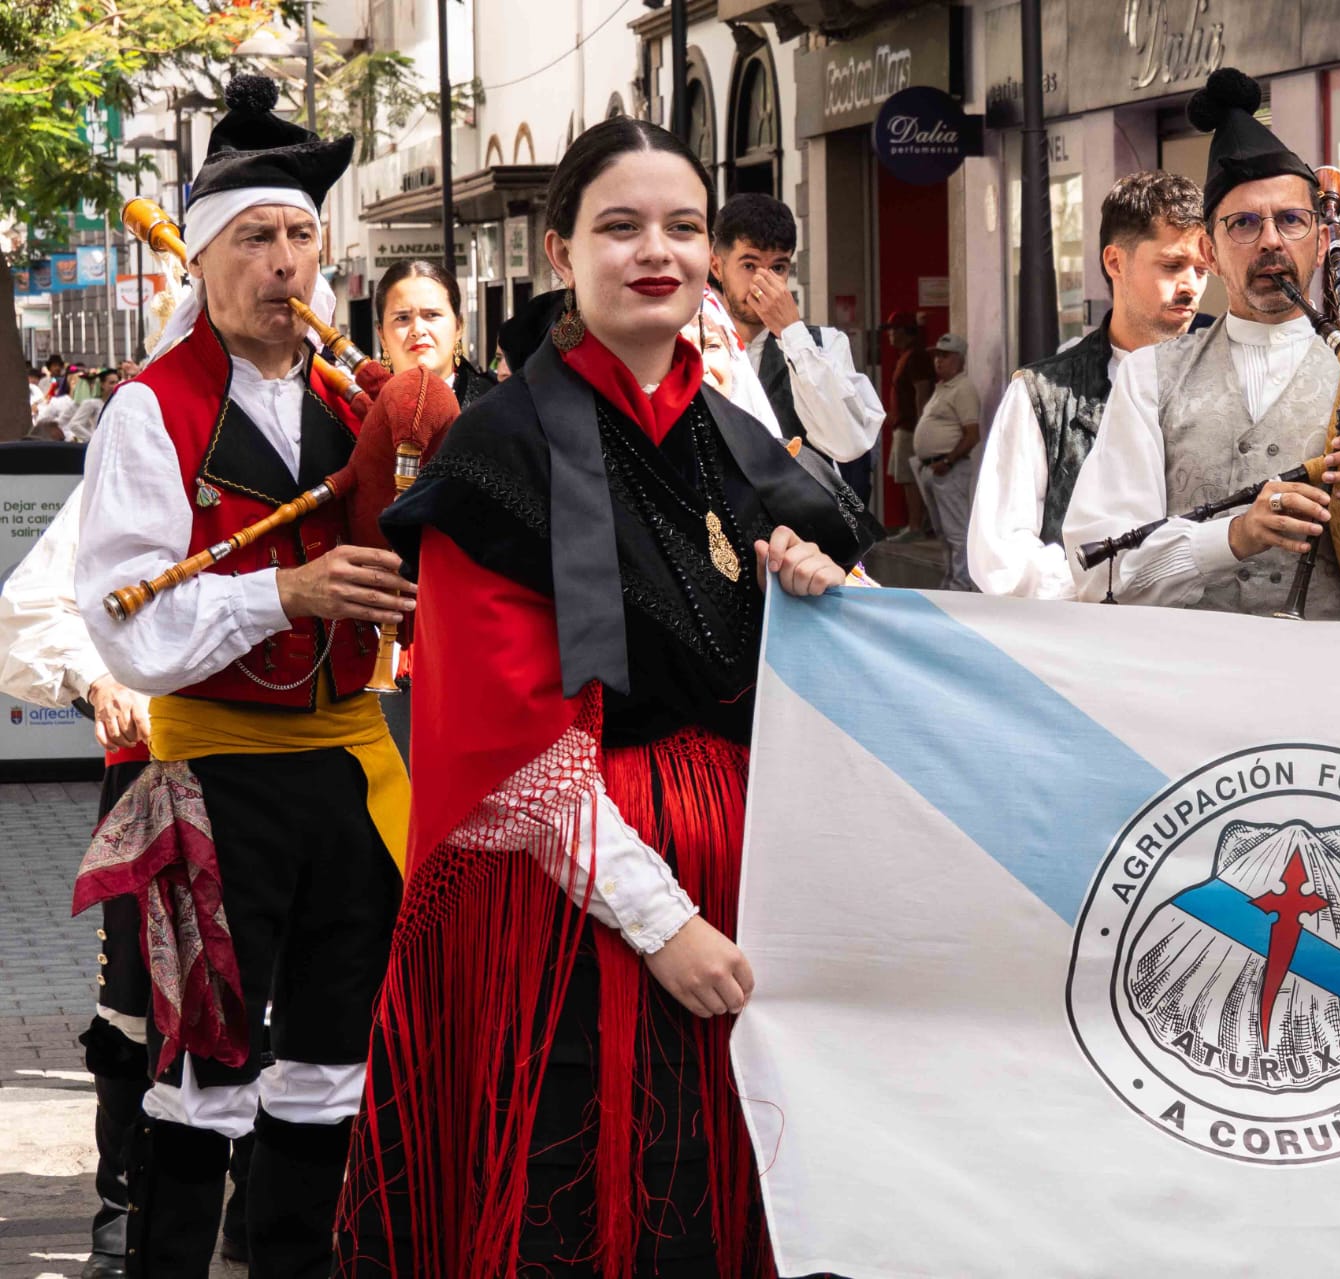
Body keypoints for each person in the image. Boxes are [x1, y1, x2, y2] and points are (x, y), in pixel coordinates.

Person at [333, 116, 868, 1277]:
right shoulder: (496, 453)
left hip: (744, 888)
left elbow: (819, 669)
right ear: (556, 248)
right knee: (585, 1208)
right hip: (577, 910)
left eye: (681, 227)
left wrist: (822, 600)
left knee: (730, 1204)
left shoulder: (736, 438)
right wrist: (663, 921)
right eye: (618, 227)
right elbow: (503, 742)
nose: (655, 252)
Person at [72, 73, 410, 1277]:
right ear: (203, 262)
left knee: (328, 1060)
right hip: (213, 782)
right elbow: (128, 627)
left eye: (301, 236)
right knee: (201, 1071)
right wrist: (286, 591)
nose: (284, 264)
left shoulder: (346, 398)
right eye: (255, 238)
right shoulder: (149, 409)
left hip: (354, 776)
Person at [1063, 66, 1340, 617]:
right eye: (1243, 224)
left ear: (1319, 243)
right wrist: (1233, 538)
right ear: (1211, 253)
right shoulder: (1149, 378)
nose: (1270, 240)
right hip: (1191, 684)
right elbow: (1098, 569)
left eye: (1291, 220)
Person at [0, 490, 157, 1278]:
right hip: (155, 770)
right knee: (130, 999)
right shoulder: (150, 423)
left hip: (296, 770)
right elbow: (29, 606)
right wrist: (99, 679)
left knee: (278, 997)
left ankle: (262, 1194)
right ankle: (121, 1209)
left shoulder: (341, 427)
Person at [967, 171, 1207, 599]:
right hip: (1083, 642)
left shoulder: (1221, 382)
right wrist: (1102, 586)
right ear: (1116, 262)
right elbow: (1002, 555)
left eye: (1202, 270)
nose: (1190, 286)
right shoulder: (1042, 392)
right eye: (1172, 265)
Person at [710, 193, 885, 502]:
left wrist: (792, 334)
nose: (762, 282)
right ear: (717, 266)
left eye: (777, 268)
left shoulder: (823, 345)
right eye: (749, 265)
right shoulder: (691, 340)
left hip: (801, 533)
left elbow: (847, 443)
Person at [912, 333, 982, 591]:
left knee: (956, 531)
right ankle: (951, 579)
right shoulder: (943, 388)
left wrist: (949, 461)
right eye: (937, 356)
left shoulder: (963, 389)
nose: (938, 361)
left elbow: (972, 434)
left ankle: (961, 584)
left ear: (959, 359)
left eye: (945, 356)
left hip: (948, 469)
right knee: (943, 531)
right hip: (933, 467)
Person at [374, 259, 494, 406]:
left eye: (432, 315)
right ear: (382, 335)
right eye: (402, 318)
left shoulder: (496, 405)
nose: (417, 330)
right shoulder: (359, 413)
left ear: (458, 326)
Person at [882, 311, 937, 540]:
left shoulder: (916, 357)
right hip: (902, 425)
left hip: (911, 428)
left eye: (894, 330)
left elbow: (921, 392)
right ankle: (916, 524)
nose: (890, 335)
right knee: (906, 477)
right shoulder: (906, 356)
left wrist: (920, 427)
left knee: (910, 477)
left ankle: (915, 526)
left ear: (906, 332)